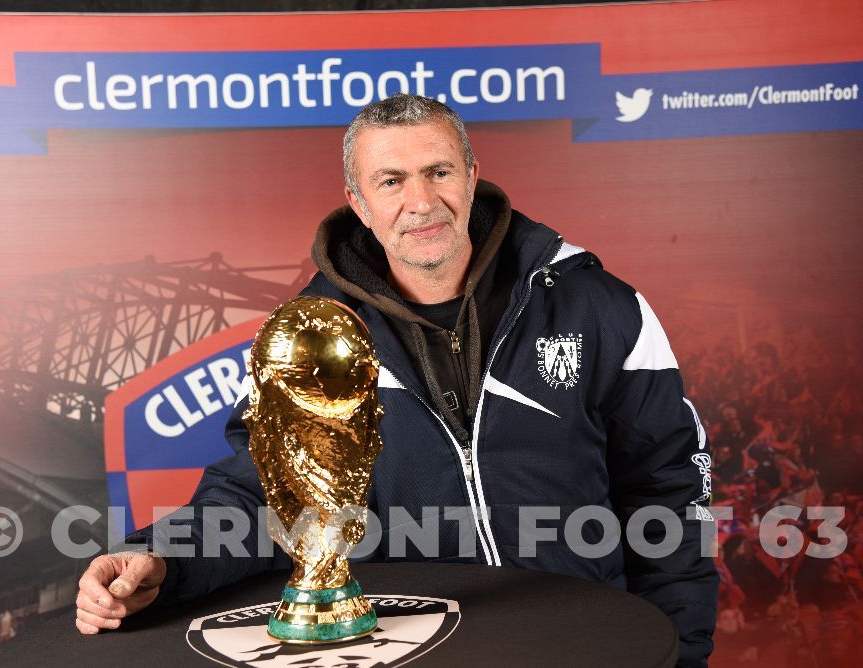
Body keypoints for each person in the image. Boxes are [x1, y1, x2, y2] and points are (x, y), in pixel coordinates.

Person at [75, 94, 717, 665]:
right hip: (414, 650)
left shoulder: (596, 306)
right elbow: (261, 497)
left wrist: (681, 654)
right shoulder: (314, 337)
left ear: (470, 177)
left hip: (583, 644)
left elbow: (667, 496)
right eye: (391, 180)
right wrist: (163, 559)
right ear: (359, 202)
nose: (421, 201)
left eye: (439, 172)